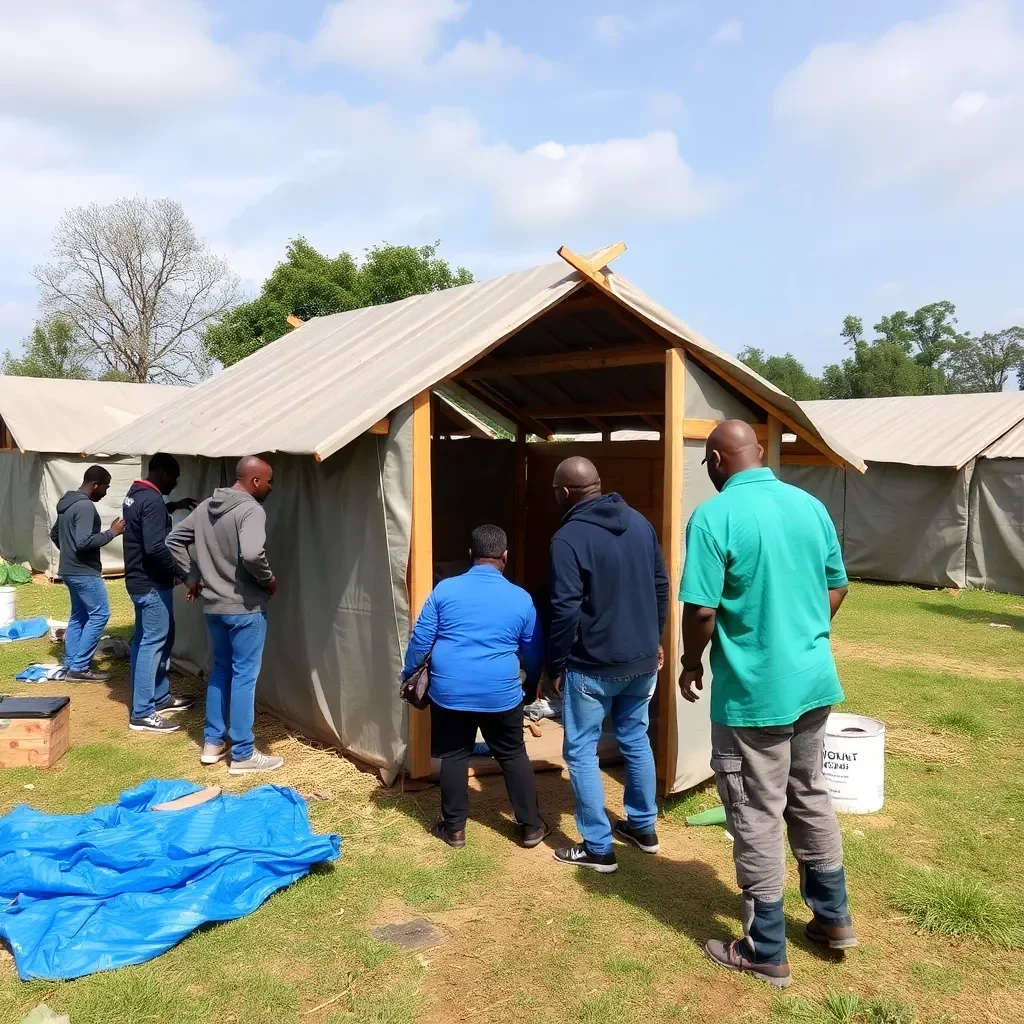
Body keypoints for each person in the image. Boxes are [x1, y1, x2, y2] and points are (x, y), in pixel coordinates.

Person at [678, 419, 854, 989]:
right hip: (812, 683)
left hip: (754, 694)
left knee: (755, 810)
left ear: (716, 460)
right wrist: (803, 635)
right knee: (808, 792)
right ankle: (833, 920)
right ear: (759, 453)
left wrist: (689, 662)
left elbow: (701, 610)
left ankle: (765, 947)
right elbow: (838, 585)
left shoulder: (714, 516)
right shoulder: (809, 505)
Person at [547, 456, 669, 873]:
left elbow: (564, 609)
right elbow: (660, 585)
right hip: (641, 660)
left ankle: (598, 847)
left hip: (591, 666)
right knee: (635, 739)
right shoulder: (639, 523)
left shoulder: (567, 538)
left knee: (581, 750)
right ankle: (643, 826)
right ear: (598, 485)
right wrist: (656, 639)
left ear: (564, 493)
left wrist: (556, 664)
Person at [403, 524, 547, 849]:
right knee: (512, 754)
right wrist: (531, 683)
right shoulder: (521, 598)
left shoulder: (444, 590)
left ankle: (454, 829)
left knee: (455, 756)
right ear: (505, 557)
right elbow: (534, 650)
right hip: (501, 692)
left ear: (470, 555)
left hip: (449, 691)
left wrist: (408, 675)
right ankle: (531, 828)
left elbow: (421, 639)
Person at [166, 455, 281, 774]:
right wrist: (267, 579)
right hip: (245, 608)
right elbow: (253, 553)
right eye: (269, 480)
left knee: (220, 671)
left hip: (214, 608)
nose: (271, 487)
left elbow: (174, 540)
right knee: (245, 676)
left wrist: (192, 576)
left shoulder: (204, 507)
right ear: (254, 480)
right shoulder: (251, 510)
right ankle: (243, 753)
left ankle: (213, 743)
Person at [122, 453, 198, 734]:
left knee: (156, 638)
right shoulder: (152, 501)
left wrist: (171, 507)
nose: (175, 483)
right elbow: (154, 547)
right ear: (163, 473)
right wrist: (182, 574)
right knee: (152, 643)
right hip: (151, 583)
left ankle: (159, 696)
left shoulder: (136, 494)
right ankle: (142, 712)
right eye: (174, 478)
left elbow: (145, 519)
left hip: (140, 580)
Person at [50, 466, 125, 681]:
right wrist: (112, 532)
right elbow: (83, 541)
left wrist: (68, 553)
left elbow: (55, 533)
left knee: (79, 616)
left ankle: (72, 662)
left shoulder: (67, 503)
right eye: (105, 487)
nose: (105, 492)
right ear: (95, 485)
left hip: (69, 569)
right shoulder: (84, 507)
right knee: (100, 614)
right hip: (84, 571)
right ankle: (80, 667)